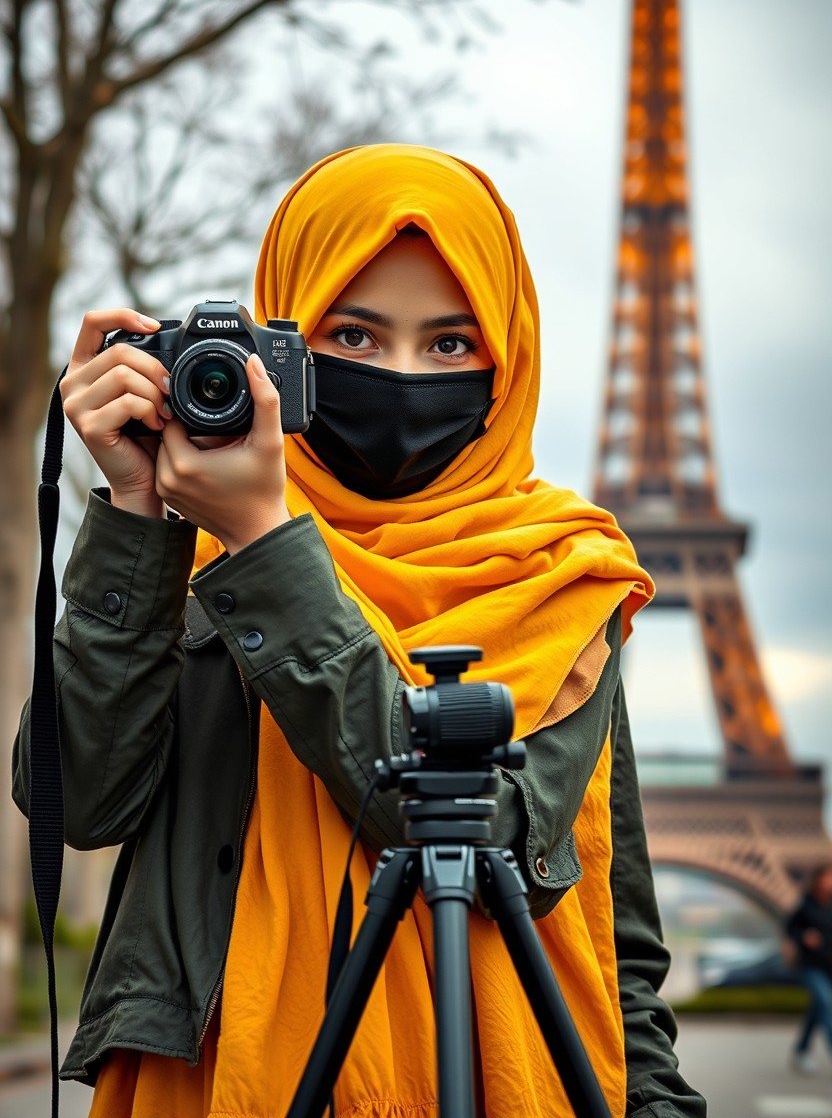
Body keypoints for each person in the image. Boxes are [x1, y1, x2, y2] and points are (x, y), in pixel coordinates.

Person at [13, 144, 706, 1117]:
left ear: (507, 359)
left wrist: (263, 540)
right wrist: (136, 520)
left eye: (450, 343)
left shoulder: (565, 579)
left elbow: (541, 872)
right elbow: (78, 803)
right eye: (355, 334)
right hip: (208, 1086)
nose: (401, 373)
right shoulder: (193, 556)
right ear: (280, 344)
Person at [785, 862, 832, 1074]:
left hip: (829, 966)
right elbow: (789, 927)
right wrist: (804, 936)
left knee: (817, 1009)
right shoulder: (806, 905)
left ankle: (801, 1051)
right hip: (811, 965)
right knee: (826, 1003)